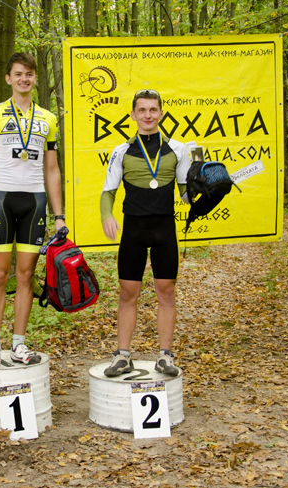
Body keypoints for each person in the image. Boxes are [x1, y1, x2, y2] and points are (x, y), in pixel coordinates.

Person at [0, 52, 64, 368]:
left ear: (35, 78)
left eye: (29, 74)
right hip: (1, 198)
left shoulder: (48, 119)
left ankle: (18, 344)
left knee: (26, 275)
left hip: (35, 201)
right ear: (8, 78)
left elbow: (52, 170)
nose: (24, 79)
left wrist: (59, 216)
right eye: (18, 74)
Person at [100, 89, 191, 378]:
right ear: (133, 114)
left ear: (161, 113)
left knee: (166, 292)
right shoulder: (121, 151)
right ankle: (123, 356)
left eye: (153, 110)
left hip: (165, 229)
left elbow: (187, 195)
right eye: (142, 110)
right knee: (128, 293)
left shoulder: (178, 149)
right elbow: (108, 192)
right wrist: (107, 215)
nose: (148, 115)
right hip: (133, 230)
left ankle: (165, 356)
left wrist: (207, 190)